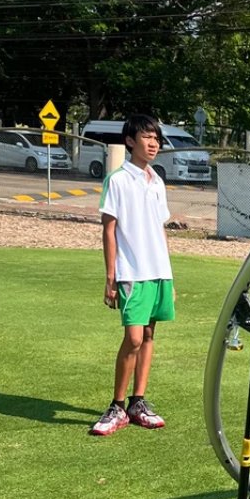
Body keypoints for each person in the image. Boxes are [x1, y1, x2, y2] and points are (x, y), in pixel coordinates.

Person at [89, 114, 175, 436]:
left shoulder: (158, 182)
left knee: (150, 335)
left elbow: (161, 230)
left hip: (158, 271)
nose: (153, 144)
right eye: (147, 137)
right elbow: (109, 231)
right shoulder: (118, 180)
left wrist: (170, 274)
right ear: (130, 141)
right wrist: (110, 276)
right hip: (131, 272)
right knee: (134, 337)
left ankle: (139, 401)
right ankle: (117, 405)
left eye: (156, 138)